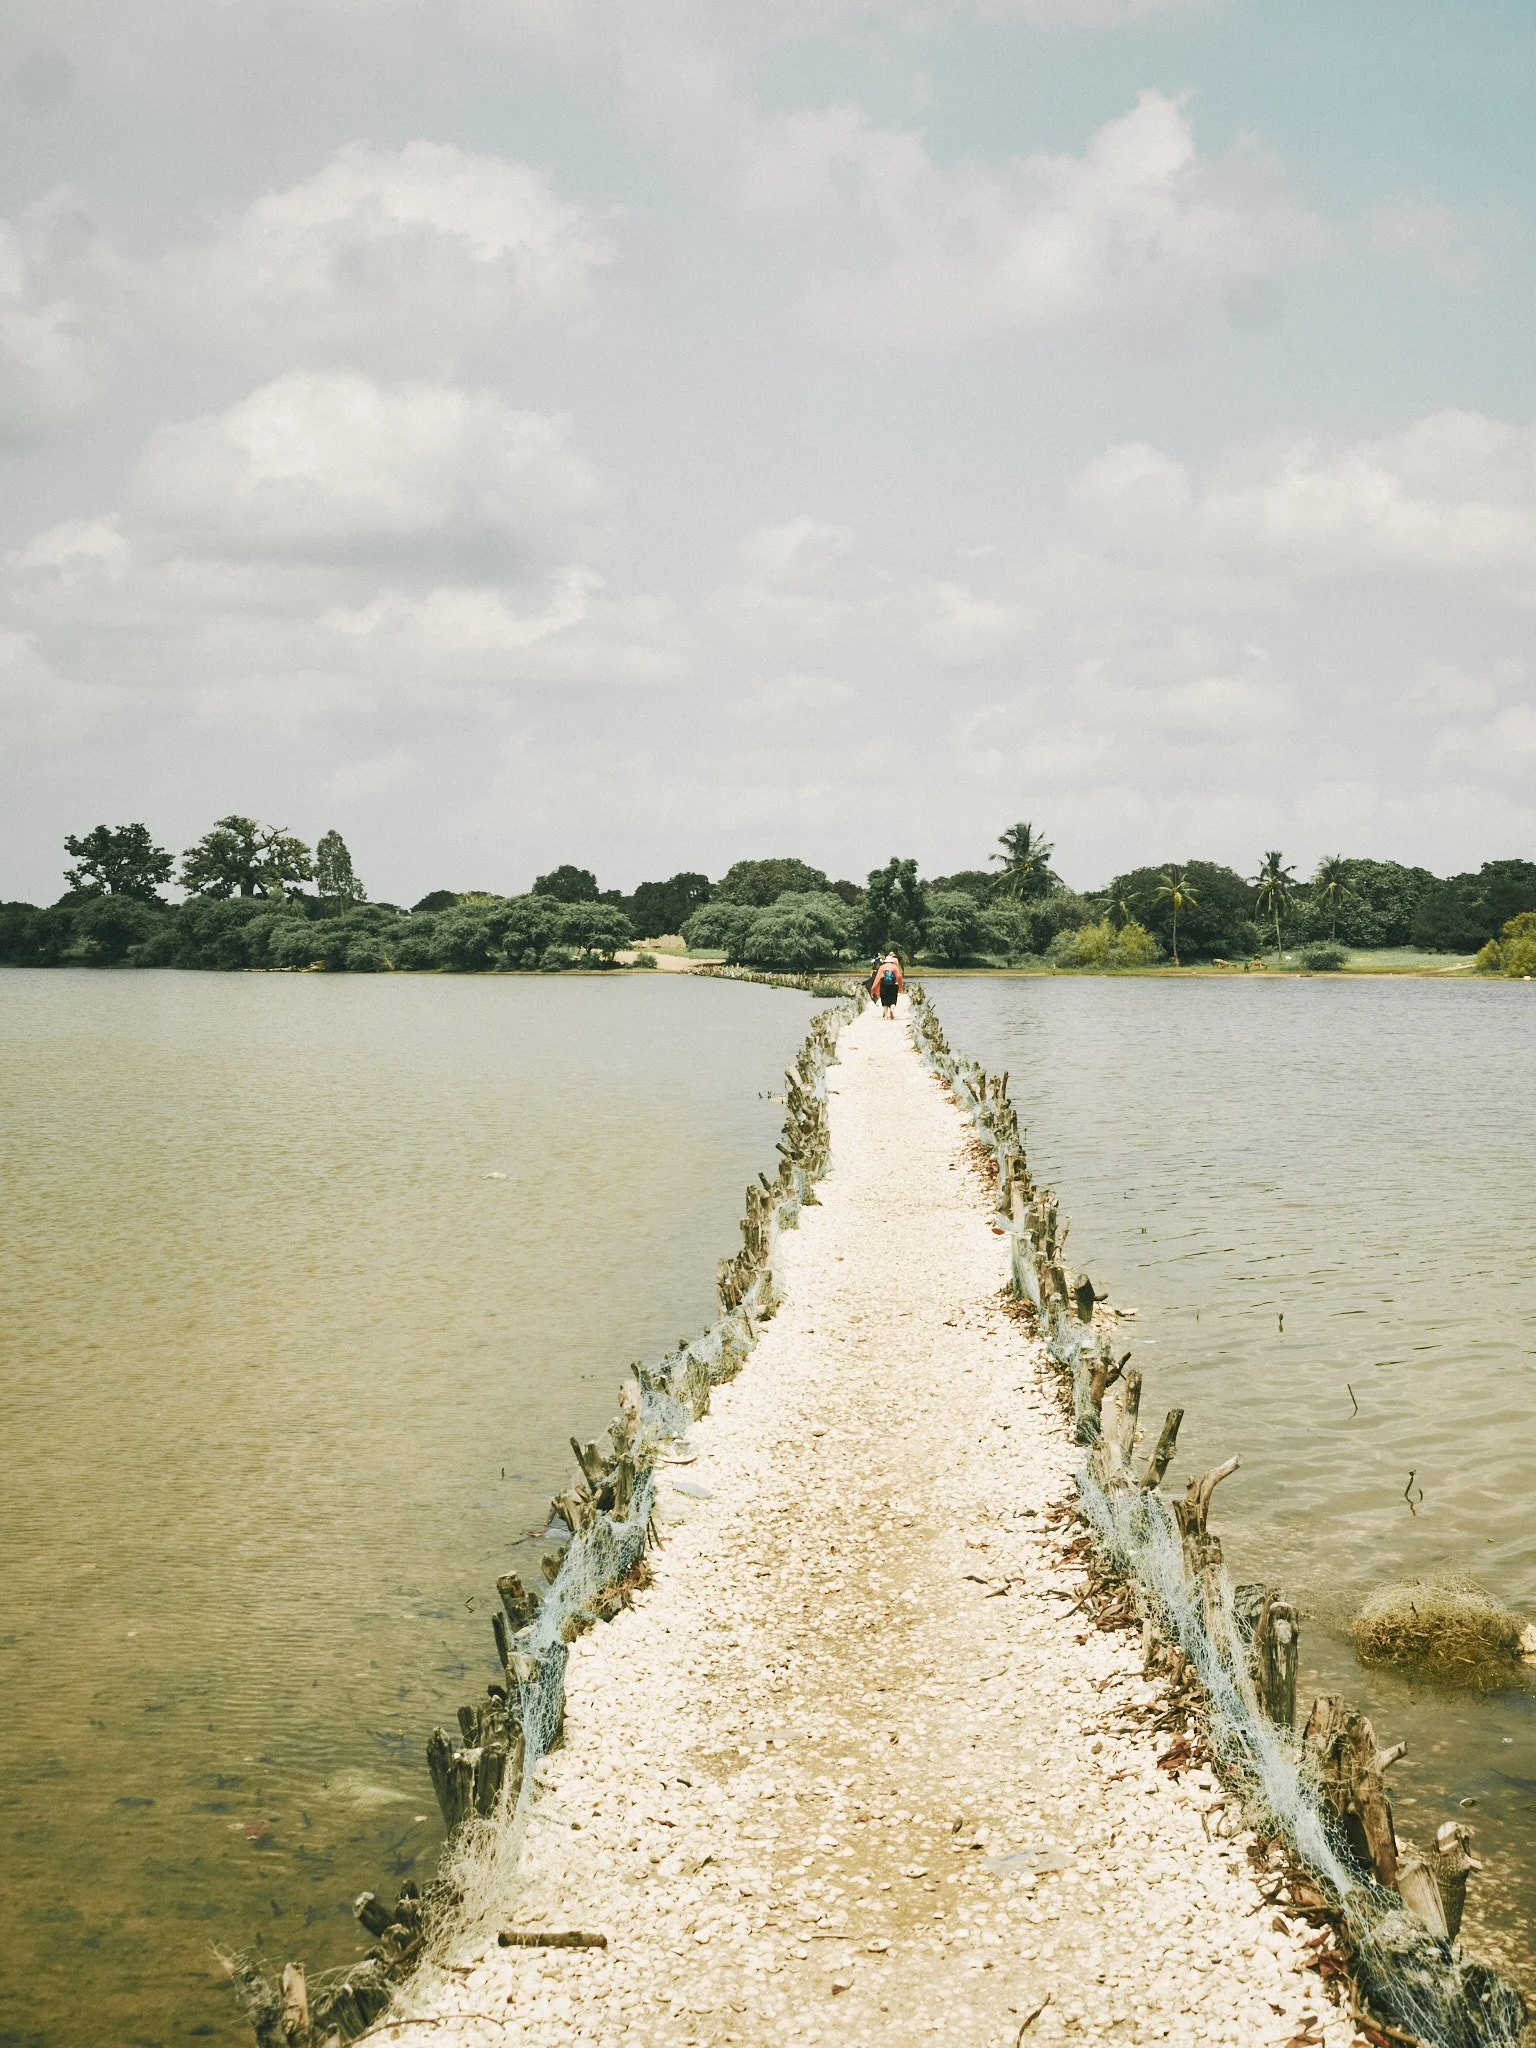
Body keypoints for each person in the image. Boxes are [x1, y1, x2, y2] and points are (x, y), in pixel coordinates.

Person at [871, 950, 903, 1019]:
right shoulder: (895, 967)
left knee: (884, 1000)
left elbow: (877, 978)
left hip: (883, 985)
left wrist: (873, 988)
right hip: (893, 985)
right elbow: (899, 977)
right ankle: (891, 1010)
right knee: (893, 999)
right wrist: (900, 987)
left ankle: (885, 1015)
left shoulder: (882, 967)